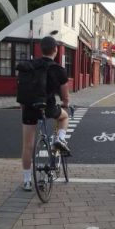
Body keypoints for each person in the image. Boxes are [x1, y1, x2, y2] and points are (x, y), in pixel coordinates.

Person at [20, 35, 71, 191]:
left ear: (40, 49)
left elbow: (22, 89)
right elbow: (65, 96)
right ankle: (60, 140)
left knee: (27, 146)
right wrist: (65, 104)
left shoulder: (29, 66)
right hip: (48, 107)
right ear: (55, 50)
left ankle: (27, 181)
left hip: (29, 108)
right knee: (64, 117)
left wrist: (24, 106)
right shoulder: (58, 70)